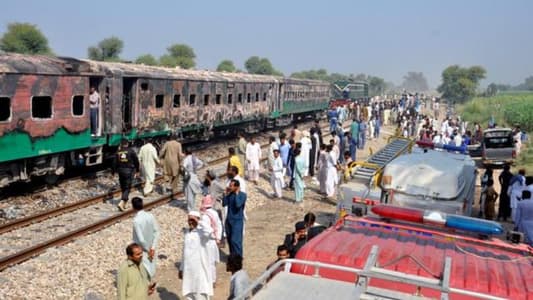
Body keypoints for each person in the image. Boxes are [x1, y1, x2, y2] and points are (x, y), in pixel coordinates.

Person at [179, 211, 213, 300]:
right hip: (188, 271)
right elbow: (184, 253)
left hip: (199, 271)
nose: (190, 222)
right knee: (189, 294)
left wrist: (198, 221)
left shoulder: (201, 234)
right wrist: (181, 268)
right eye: (189, 220)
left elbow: (209, 231)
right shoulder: (187, 233)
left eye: (192, 220)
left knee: (200, 295)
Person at [132, 197, 160, 280]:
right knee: (151, 266)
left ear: (133, 207)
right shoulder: (150, 216)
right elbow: (157, 231)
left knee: (144, 269)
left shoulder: (136, 220)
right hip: (152, 247)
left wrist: (148, 250)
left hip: (142, 249)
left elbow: (141, 239)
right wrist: (153, 248)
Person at [200, 195, 222, 287]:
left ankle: (210, 280)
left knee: (207, 261)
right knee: (212, 262)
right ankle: (213, 279)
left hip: (208, 241)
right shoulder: (214, 213)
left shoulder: (205, 216)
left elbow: (206, 231)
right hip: (214, 241)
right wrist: (218, 237)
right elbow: (219, 225)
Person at [114, 139, 140, 211]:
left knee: (123, 186)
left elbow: (114, 162)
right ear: (127, 144)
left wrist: (113, 172)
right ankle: (122, 201)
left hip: (120, 171)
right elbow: (136, 161)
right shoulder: (131, 151)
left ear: (121, 144)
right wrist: (137, 170)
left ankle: (124, 204)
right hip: (129, 171)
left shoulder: (118, 152)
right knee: (127, 187)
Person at [223, 179, 247, 257]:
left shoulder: (242, 195)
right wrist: (225, 194)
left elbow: (238, 205)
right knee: (230, 240)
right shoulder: (230, 194)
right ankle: (232, 255)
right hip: (229, 220)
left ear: (237, 187)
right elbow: (224, 204)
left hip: (237, 221)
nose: (229, 187)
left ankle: (238, 257)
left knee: (235, 240)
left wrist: (236, 194)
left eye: (231, 185)